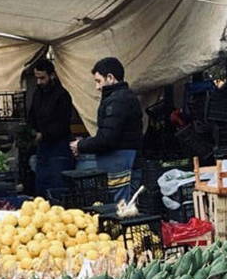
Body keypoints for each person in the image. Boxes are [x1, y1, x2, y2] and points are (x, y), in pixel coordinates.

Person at [70, 56, 142, 203]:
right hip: (118, 160)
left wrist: (80, 145)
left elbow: (107, 138)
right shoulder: (119, 98)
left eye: (98, 81)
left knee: (120, 205)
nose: (97, 87)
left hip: (120, 161)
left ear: (110, 78)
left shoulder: (117, 101)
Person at [27, 58, 74, 201]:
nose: (39, 82)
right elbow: (32, 116)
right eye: (37, 78)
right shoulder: (37, 94)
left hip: (59, 148)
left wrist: (44, 134)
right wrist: (31, 132)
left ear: (52, 75)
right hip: (43, 149)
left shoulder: (62, 95)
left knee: (58, 187)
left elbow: (62, 123)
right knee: (42, 186)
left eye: (42, 78)